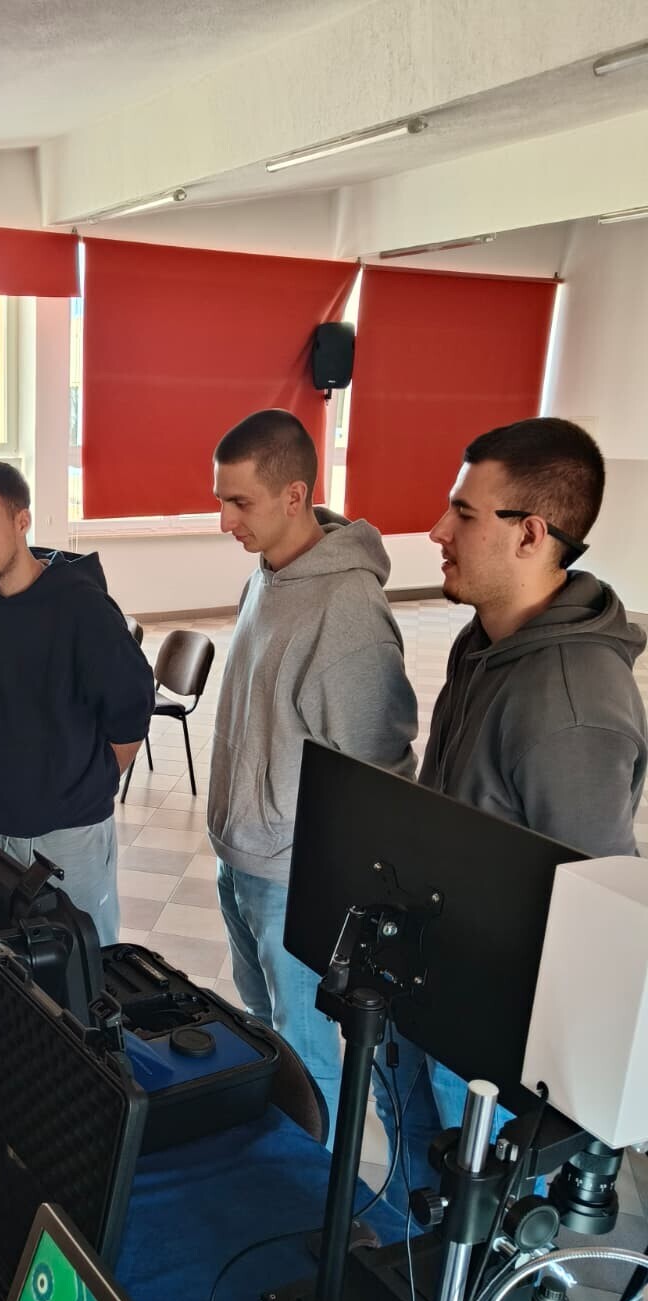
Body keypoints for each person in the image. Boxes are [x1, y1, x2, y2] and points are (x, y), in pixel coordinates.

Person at [381, 417, 648, 1192]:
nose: (438, 530)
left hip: (493, 1044)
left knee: (474, 1225)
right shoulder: (485, 641)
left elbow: (598, 917)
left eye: (463, 514)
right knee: (416, 1196)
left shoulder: (571, 708)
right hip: (435, 981)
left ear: (531, 534)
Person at [208, 409, 418, 1144]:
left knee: (304, 1055)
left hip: (293, 878)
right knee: (267, 1037)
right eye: (221, 500)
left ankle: (312, 1187)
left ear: (294, 495)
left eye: (240, 502)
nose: (225, 521)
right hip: (242, 859)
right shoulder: (268, 575)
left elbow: (379, 772)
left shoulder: (347, 609)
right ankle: (277, 1165)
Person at [0, 459, 154, 946]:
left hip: (70, 835)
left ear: (21, 520)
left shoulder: (82, 607)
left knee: (84, 963)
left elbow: (131, 712)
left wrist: (87, 785)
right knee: (8, 969)